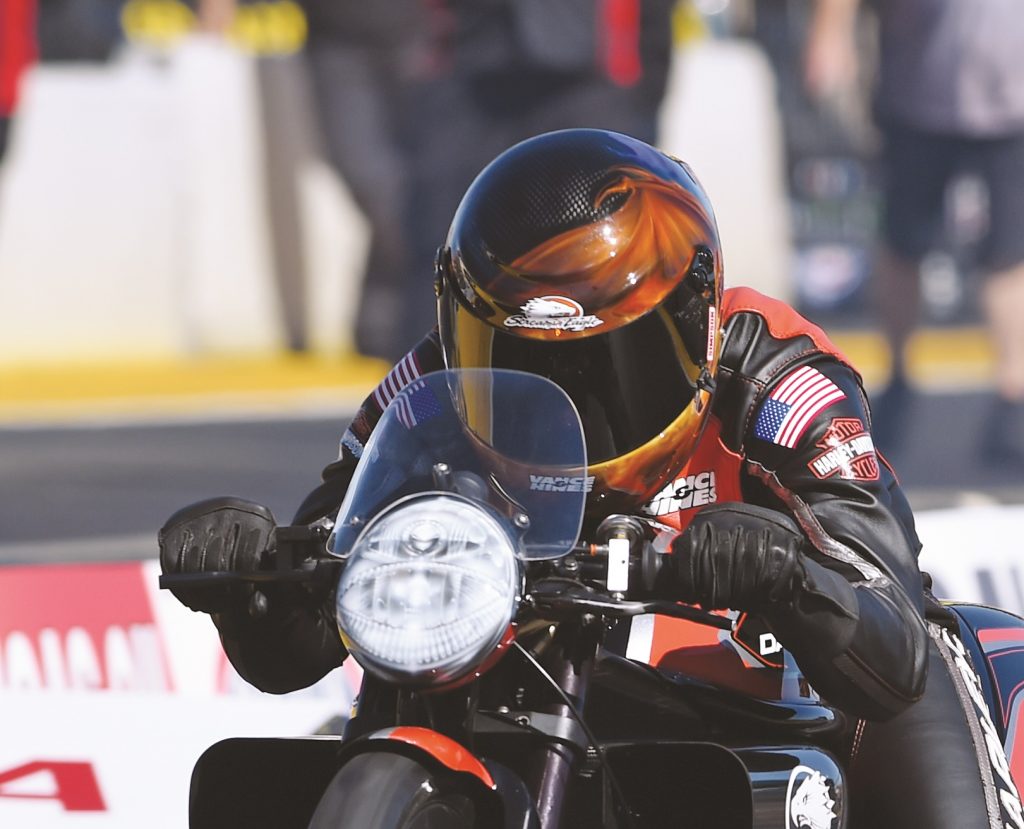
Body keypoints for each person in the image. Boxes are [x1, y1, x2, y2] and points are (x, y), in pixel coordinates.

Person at [159, 129, 1021, 827]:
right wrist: (251, 582)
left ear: (697, 328)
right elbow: (310, 620)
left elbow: (888, 621)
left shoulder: (779, 379)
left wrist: (784, 570)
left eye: (605, 372)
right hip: (544, 676)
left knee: (922, 654)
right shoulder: (427, 392)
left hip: (776, 689)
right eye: (515, 366)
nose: (560, 409)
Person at [804, 0, 1024, 464]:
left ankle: (1014, 394)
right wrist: (832, 33)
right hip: (920, 90)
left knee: (1009, 252)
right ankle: (898, 377)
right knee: (904, 244)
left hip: (1011, 97)